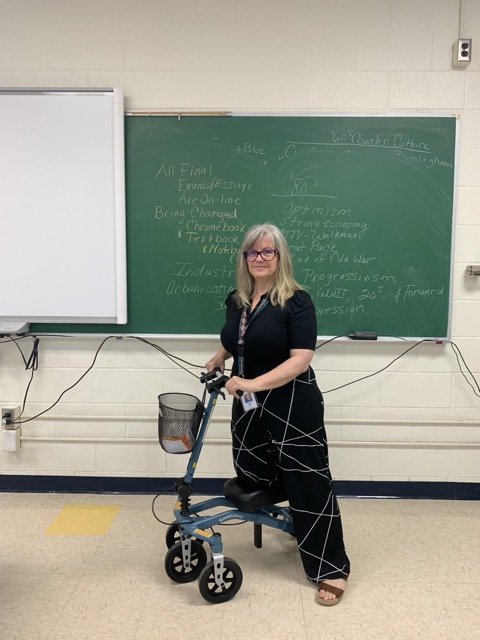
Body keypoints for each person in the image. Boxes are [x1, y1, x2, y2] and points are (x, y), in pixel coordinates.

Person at [205, 222, 350, 605]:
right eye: (252, 252)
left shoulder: (296, 300)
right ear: (244, 257)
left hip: (290, 403)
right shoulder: (236, 299)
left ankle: (330, 567)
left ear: (280, 257)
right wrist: (221, 356)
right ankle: (299, 514)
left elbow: (300, 360)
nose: (259, 258)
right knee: (250, 472)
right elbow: (239, 338)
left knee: (308, 481)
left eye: (267, 251)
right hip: (248, 404)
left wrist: (250, 384)